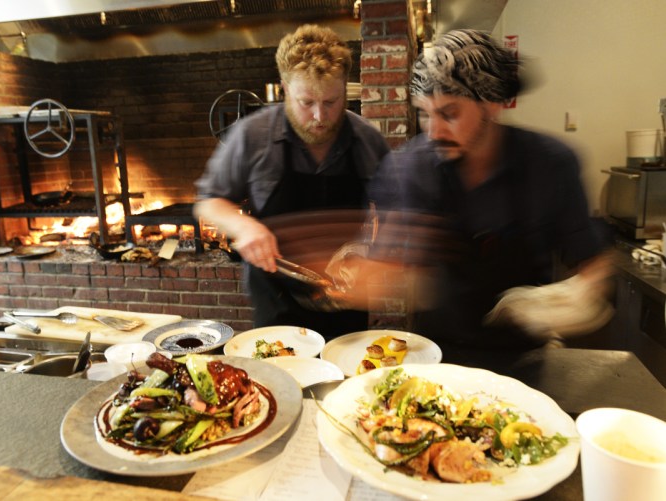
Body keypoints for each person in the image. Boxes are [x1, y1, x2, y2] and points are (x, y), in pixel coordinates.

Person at [355, 29, 613, 361]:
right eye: (424, 113)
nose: (434, 131)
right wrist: (360, 274)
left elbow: (591, 260)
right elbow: (381, 262)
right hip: (435, 357)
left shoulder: (550, 164)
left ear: (491, 105)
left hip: (525, 355)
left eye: (450, 113)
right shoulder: (405, 168)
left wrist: (577, 298)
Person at [194, 24, 390, 339]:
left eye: (331, 102)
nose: (320, 117)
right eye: (306, 102)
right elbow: (210, 202)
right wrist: (244, 227)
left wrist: (377, 259)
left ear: (345, 89)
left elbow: (393, 212)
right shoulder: (252, 136)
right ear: (285, 88)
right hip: (278, 306)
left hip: (346, 306)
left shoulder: (367, 140)